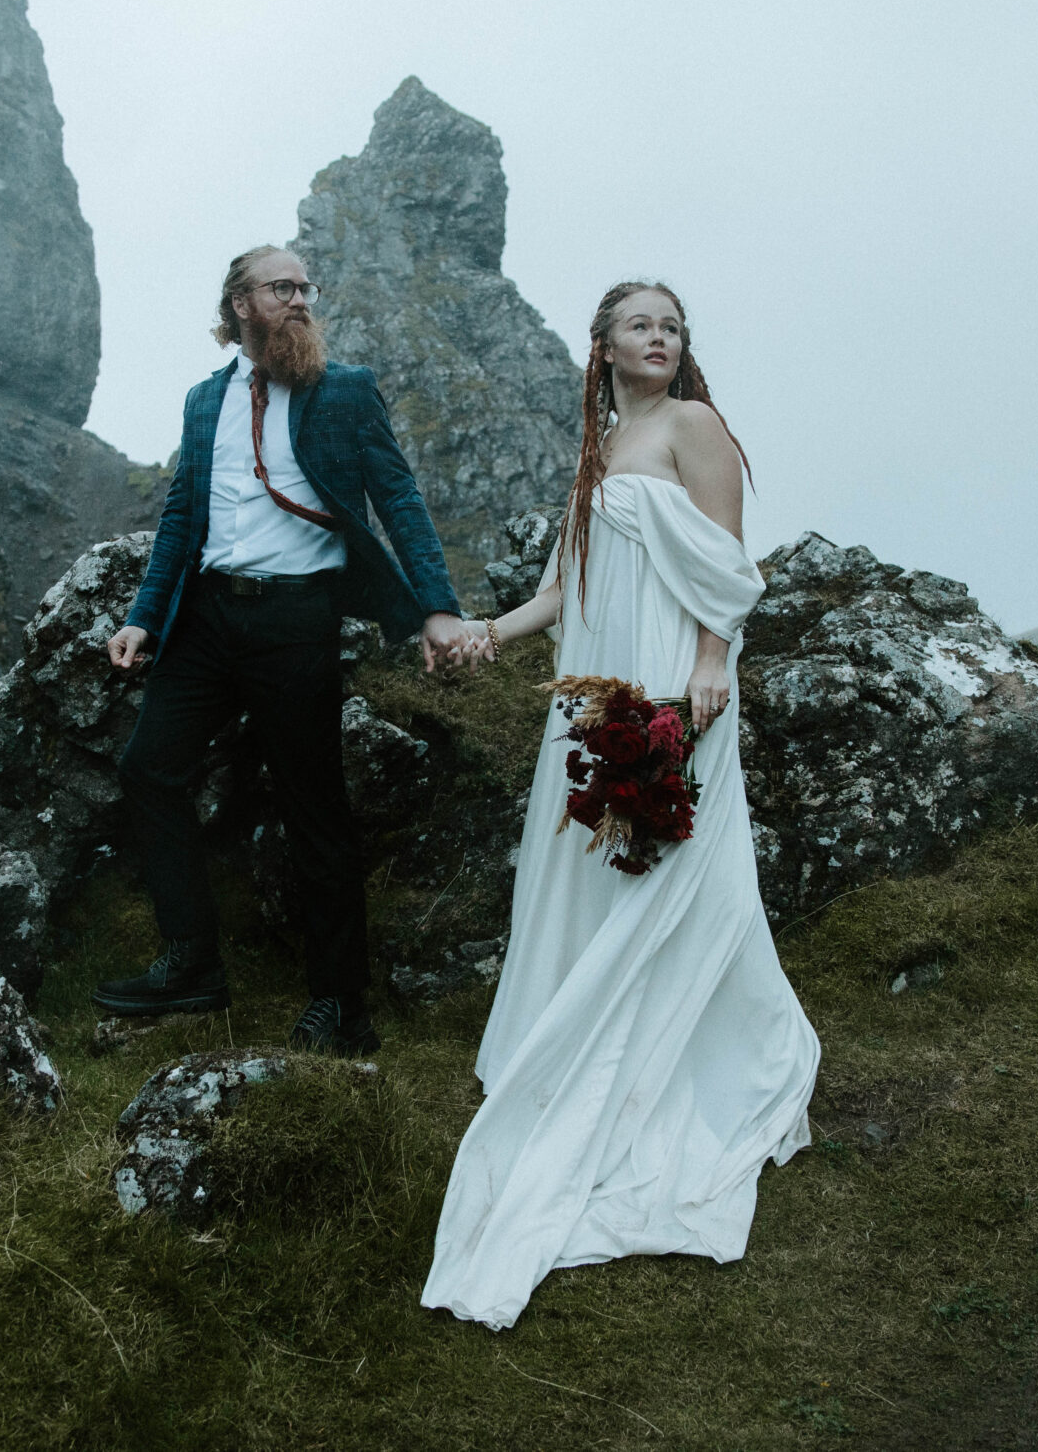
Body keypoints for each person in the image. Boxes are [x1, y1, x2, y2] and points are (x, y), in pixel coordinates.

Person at [421, 281, 821, 1330]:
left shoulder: (693, 425)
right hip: (592, 675)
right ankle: (580, 1024)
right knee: (592, 855)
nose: (659, 338)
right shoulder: (601, 443)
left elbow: (729, 565)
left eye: (672, 326)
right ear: (600, 347)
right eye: (640, 324)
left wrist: (707, 667)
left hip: (666, 678)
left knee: (671, 862)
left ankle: (688, 1054)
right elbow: (568, 583)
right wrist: (487, 635)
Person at [96, 245, 471, 1054]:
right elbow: (179, 518)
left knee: (314, 806)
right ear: (240, 305)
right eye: (281, 287)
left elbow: (397, 495)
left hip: (297, 621)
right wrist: (144, 618)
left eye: (306, 288)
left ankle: (341, 1004)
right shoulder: (204, 402)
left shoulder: (344, 391)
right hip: (207, 618)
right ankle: (191, 961)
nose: (300, 299)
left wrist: (437, 606)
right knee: (148, 767)